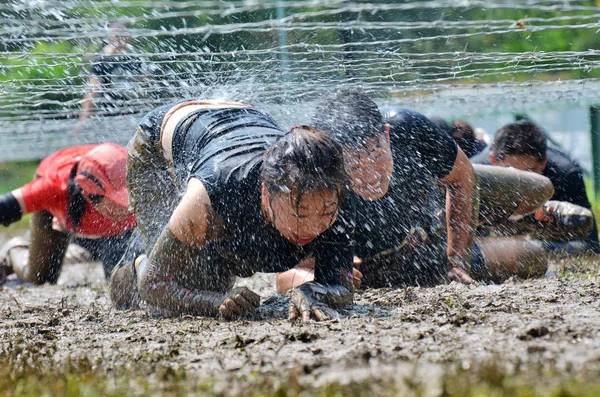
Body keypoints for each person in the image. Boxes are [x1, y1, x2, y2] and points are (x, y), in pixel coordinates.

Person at [278, 91, 555, 291]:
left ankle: (528, 215)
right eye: (353, 164)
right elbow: (285, 277)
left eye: (376, 156)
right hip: (407, 262)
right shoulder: (317, 187)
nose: (370, 175)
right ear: (334, 161)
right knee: (534, 256)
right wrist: (328, 279)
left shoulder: (407, 127)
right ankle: (525, 222)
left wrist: (458, 259)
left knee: (538, 188)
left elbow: (462, 178)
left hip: (432, 202)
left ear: (386, 135)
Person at [109, 100, 354, 322]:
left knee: (213, 276)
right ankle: (136, 265)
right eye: (300, 214)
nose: (314, 227)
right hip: (160, 143)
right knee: (178, 295)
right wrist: (217, 302)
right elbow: (156, 284)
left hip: (243, 120)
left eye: (325, 214)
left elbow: (342, 287)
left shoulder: (332, 191)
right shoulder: (214, 192)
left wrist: (311, 291)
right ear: (266, 194)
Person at [0, 143, 137, 285]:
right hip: (58, 207)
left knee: (121, 282)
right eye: (117, 201)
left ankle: (80, 249)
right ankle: (15, 249)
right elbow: (5, 207)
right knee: (39, 278)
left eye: (128, 196)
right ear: (89, 195)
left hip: (101, 225)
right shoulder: (53, 188)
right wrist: (62, 218)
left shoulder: (142, 190)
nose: (127, 207)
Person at [471, 120, 599, 254]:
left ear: (543, 162)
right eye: (509, 172)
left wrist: (537, 247)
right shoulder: (474, 174)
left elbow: (591, 244)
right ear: (493, 161)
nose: (520, 182)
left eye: (529, 172)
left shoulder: (566, 174)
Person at [75, 22, 145, 132]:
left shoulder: (135, 58)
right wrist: (83, 121)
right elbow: (92, 92)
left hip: (133, 115)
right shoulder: (100, 60)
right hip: (108, 116)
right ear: (109, 36)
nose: (120, 38)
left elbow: (143, 87)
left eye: (124, 34)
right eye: (116, 35)